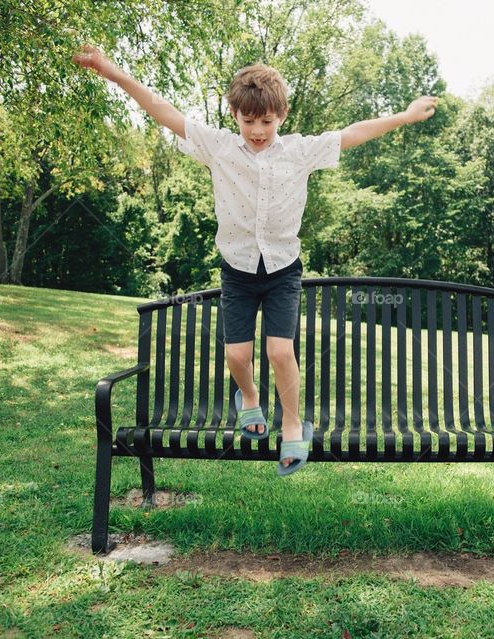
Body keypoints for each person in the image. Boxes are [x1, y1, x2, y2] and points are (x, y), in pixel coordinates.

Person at [72, 44, 437, 475]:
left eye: (266, 121)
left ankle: (293, 424)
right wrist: (109, 70)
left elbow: (354, 132)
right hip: (238, 272)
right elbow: (161, 108)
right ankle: (248, 398)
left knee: (280, 351)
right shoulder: (219, 148)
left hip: (283, 269)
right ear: (235, 115)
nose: (258, 130)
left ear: (281, 115)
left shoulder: (300, 151)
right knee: (238, 357)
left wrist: (405, 116)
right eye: (249, 121)